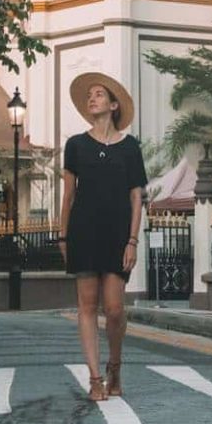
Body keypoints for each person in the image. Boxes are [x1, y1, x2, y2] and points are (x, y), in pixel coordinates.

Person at [58, 72, 146, 401]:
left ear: (112, 104)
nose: (91, 99)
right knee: (86, 307)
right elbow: (67, 196)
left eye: (98, 94)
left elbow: (136, 197)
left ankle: (116, 365)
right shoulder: (76, 145)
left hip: (117, 236)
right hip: (83, 233)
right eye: (89, 96)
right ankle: (95, 378)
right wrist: (63, 237)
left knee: (114, 309)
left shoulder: (130, 147)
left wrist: (132, 241)